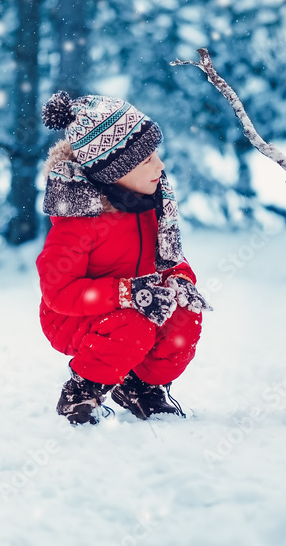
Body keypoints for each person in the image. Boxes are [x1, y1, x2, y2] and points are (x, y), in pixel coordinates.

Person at [36, 91, 210, 425]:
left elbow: (169, 259)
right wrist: (125, 293)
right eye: (145, 160)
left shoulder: (150, 205)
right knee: (135, 324)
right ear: (112, 170)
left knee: (185, 316)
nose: (159, 165)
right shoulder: (81, 221)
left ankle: (142, 387)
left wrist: (180, 280)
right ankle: (81, 391)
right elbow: (58, 292)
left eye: (155, 155)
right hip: (74, 316)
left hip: (136, 305)